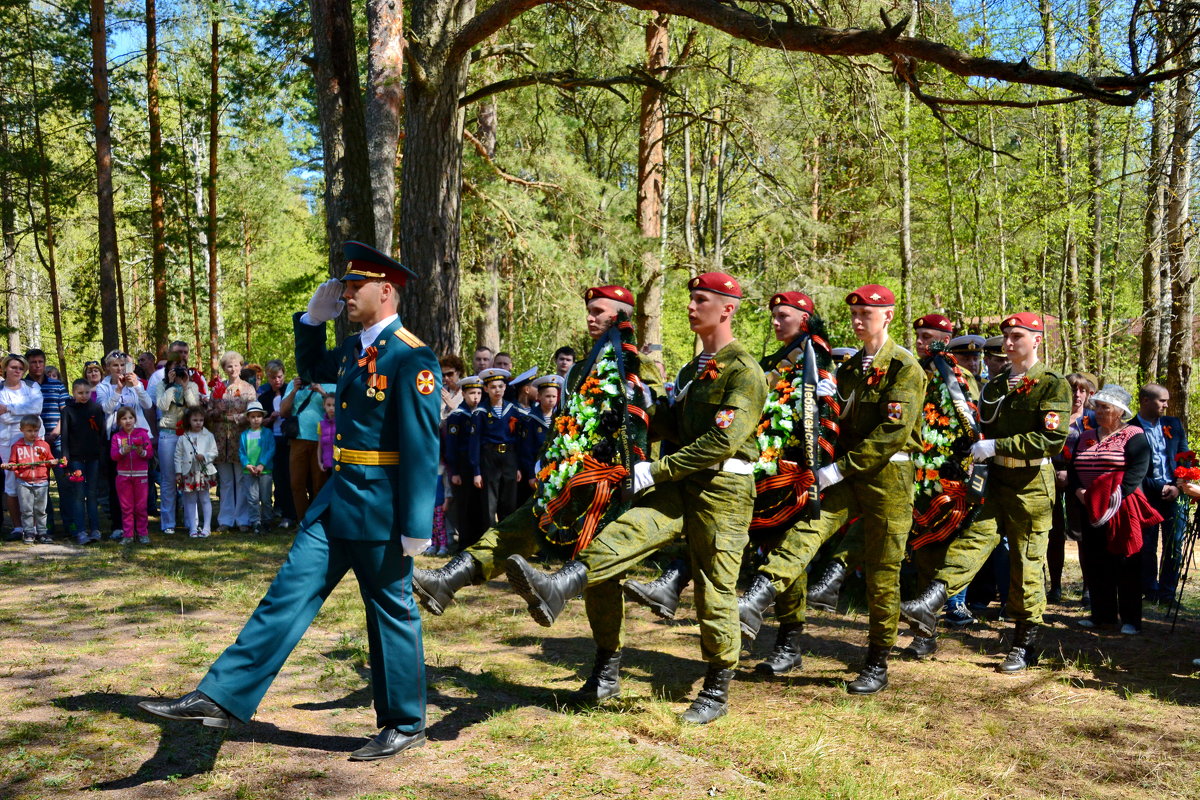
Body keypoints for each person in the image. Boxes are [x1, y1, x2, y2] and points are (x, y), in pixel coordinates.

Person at [139, 240, 440, 762]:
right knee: (287, 593)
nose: (344, 293)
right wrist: (310, 320)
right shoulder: (354, 349)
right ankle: (222, 695)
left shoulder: (412, 356)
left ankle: (405, 721)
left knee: (390, 610)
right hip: (339, 497)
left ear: (385, 291)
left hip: (383, 506)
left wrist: (417, 521)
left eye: (354, 286)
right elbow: (314, 365)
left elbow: (421, 443)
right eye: (344, 286)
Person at [506, 272, 765, 724]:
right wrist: (630, 408)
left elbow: (719, 442)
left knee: (714, 588)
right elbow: (666, 423)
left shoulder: (744, 370)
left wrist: (654, 470)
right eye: (690, 298)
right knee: (624, 532)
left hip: (722, 491)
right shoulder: (691, 370)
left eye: (700, 299)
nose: (690, 306)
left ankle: (717, 688)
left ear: (727, 309)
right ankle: (559, 586)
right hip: (679, 483)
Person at [412, 285, 661, 616]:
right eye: (589, 310)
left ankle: (607, 661)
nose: (590, 316)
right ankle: (449, 578)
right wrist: (550, 464)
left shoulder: (639, 365)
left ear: (622, 315)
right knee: (515, 526)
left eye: (599, 311)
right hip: (570, 479)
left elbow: (653, 418)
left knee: (601, 576)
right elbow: (563, 420)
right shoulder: (580, 369)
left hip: (613, 485)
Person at [737, 285, 924, 694]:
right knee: (807, 529)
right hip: (847, 473)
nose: (858, 321)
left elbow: (893, 433)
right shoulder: (853, 366)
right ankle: (757, 597)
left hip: (889, 478)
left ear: (887, 316)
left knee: (882, 572)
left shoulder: (904, 367)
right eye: (854, 314)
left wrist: (839, 469)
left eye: (867, 314)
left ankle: (877, 661)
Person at [901, 312, 1071, 673]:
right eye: (1006, 337)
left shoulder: (1052, 385)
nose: (1009, 343)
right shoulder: (994, 386)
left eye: (1017, 337)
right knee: (970, 544)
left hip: (1031, 487)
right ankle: (929, 603)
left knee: (1025, 562)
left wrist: (997, 446)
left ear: (1037, 340)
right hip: (993, 483)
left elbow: (1052, 439)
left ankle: (1023, 645)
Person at [1069, 385, 1156, 634]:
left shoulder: (1134, 434)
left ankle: (1130, 619)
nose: (1098, 411)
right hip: (1090, 508)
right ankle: (1102, 615)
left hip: (1121, 508)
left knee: (1126, 561)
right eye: (1097, 406)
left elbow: (1136, 472)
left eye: (1104, 407)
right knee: (1096, 561)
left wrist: (1110, 498)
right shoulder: (1086, 435)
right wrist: (1079, 492)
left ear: (1119, 412)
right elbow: (1075, 468)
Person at [1130, 383, 1188, 603]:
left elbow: (1185, 457)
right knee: (1147, 546)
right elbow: (1131, 470)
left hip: (1175, 493)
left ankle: (1168, 593)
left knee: (1174, 543)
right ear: (1145, 401)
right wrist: (1159, 487)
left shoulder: (1173, 424)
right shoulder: (1130, 428)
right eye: (1162, 400)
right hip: (1146, 495)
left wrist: (1178, 484)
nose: (1166, 405)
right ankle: (1149, 589)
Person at [469, 368, 522, 531]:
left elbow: (519, 439)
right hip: (489, 458)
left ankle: (506, 540)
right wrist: (476, 471)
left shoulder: (513, 409)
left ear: (505, 387)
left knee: (509, 502)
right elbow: (474, 442)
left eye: (500, 386)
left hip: (509, 457)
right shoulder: (480, 412)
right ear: (486, 389)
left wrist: (518, 466)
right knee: (489, 503)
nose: (497, 390)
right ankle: (488, 540)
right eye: (492, 387)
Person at [26, 349, 70, 536]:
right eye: (33, 362)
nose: (37, 365)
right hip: (34, 444)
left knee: (64, 484)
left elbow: (65, 412)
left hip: (57, 441)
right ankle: (47, 526)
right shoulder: (23, 386)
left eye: (40, 362)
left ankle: (70, 525)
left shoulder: (57, 385)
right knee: (40, 487)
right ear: (28, 364)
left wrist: (54, 433)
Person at [209, 352, 255, 532]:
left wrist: (235, 417)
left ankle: (243, 519)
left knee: (242, 479)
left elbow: (253, 412)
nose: (233, 369)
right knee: (226, 481)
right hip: (221, 439)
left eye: (236, 365)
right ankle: (226, 520)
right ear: (224, 368)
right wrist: (216, 410)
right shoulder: (218, 388)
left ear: (241, 366)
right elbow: (208, 412)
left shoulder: (248, 388)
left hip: (240, 437)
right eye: (229, 366)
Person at [156, 362, 201, 536]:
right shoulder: (162, 385)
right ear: (168, 371)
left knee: (189, 478)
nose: (179, 372)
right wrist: (170, 386)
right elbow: (162, 406)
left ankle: (192, 522)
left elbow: (194, 407)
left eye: (182, 368)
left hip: (187, 435)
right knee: (168, 481)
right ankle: (168, 523)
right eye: (175, 369)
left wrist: (184, 385)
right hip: (168, 434)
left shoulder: (192, 385)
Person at [0, 354, 42, 538]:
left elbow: (36, 408)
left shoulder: (32, 387)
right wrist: (23, 409)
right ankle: (18, 527)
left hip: (32, 440)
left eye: (19, 368)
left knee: (33, 479)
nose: (17, 371)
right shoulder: (0, 390)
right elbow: (4, 418)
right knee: (11, 483)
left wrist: (10, 408)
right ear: (5, 369)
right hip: (7, 441)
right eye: (13, 367)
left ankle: (33, 527)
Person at [281, 378, 334, 520]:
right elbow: (283, 411)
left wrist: (322, 391)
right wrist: (294, 391)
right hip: (298, 439)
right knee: (296, 483)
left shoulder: (331, 383)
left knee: (319, 484)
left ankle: (317, 522)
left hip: (322, 441)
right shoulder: (294, 383)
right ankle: (302, 522)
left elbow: (337, 409)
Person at [61, 378, 106, 544]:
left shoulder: (96, 408)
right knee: (79, 494)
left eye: (87, 392)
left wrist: (102, 455)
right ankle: (80, 530)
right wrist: (65, 458)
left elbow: (102, 434)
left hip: (93, 457)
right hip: (75, 458)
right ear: (74, 393)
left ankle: (95, 529)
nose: (84, 396)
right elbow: (64, 436)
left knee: (92, 493)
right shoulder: (68, 411)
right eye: (80, 393)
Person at [442, 375, 483, 552]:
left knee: (478, 506)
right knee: (464, 506)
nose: (476, 397)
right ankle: (464, 544)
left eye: (479, 393)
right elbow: (450, 447)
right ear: (464, 394)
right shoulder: (457, 416)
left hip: (478, 467)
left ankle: (476, 541)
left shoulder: (480, 413)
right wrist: (455, 472)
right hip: (463, 467)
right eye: (472, 393)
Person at [5, 415, 54, 543]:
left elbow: (49, 460)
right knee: (26, 509)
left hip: (41, 482)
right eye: (29, 431)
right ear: (22, 430)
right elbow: (13, 462)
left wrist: (53, 462)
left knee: (41, 510)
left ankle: (42, 532)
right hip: (24, 483)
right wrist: (11, 468)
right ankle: (28, 532)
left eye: (35, 430)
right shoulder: (17, 446)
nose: (33, 434)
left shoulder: (43, 445)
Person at [258, 361, 295, 528]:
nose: (277, 380)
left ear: (284, 375)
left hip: (289, 440)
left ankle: (290, 514)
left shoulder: (292, 391)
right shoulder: (264, 396)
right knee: (277, 478)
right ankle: (276, 509)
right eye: (273, 377)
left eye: (279, 377)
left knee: (289, 477)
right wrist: (269, 419)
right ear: (268, 377)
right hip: (272, 440)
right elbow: (257, 421)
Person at [111, 406, 154, 545]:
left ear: (135, 419)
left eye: (130, 418)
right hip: (123, 477)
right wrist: (123, 451)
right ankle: (128, 535)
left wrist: (141, 451)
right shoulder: (117, 437)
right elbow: (113, 456)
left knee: (141, 506)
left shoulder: (142, 434)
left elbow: (149, 454)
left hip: (140, 475)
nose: (128, 421)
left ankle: (142, 533)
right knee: (126, 507)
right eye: (124, 418)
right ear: (119, 422)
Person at [176, 407, 217, 538]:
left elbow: (214, 452)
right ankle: (193, 527)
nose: (198, 422)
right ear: (189, 421)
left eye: (201, 420)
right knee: (190, 500)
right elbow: (178, 456)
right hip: (189, 472)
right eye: (195, 420)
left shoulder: (208, 435)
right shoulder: (183, 437)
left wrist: (205, 456)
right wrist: (178, 472)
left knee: (205, 498)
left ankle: (207, 527)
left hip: (203, 471)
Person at [239, 401, 275, 534]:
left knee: (265, 498)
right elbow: (242, 452)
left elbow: (271, 449)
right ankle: (255, 522)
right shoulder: (244, 435)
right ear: (248, 418)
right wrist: (247, 464)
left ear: (262, 417)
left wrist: (262, 464)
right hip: (249, 471)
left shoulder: (267, 433)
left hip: (264, 470)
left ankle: (267, 521)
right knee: (252, 498)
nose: (256, 419)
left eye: (258, 416)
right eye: (252, 416)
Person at [439, 354, 464, 420]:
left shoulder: (467, 390)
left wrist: (453, 406)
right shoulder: (441, 390)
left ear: (458, 372)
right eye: (443, 375)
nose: (446, 378)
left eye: (450, 374)